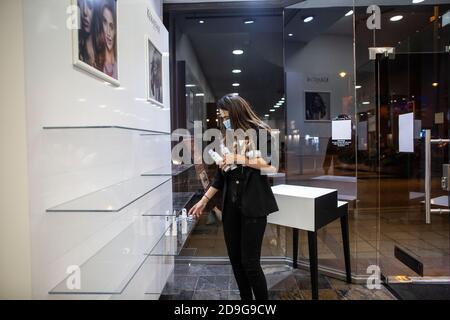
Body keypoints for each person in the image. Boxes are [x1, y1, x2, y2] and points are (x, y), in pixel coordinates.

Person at [188, 94, 279, 300]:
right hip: (231, 208)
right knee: (236, 262)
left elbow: (271, 167)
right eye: (221, 117)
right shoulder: (227, 137)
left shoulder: (261, 132)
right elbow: (221, 178)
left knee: (250, 263)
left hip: (254, 206)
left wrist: (239, 158)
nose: (222, 120)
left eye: (225, 115)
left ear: (235, 112)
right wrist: (203, 201)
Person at [96, 0, 118, 79]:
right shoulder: (96, 63)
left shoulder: (119, 68)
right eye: (105, 23)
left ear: (115, 31)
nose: (108, 32)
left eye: (111, 26)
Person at [78, 0, 96, 66]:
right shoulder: (79, 50)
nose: (85, 12)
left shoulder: (99, 50)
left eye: (89, 6)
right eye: (82, 5)